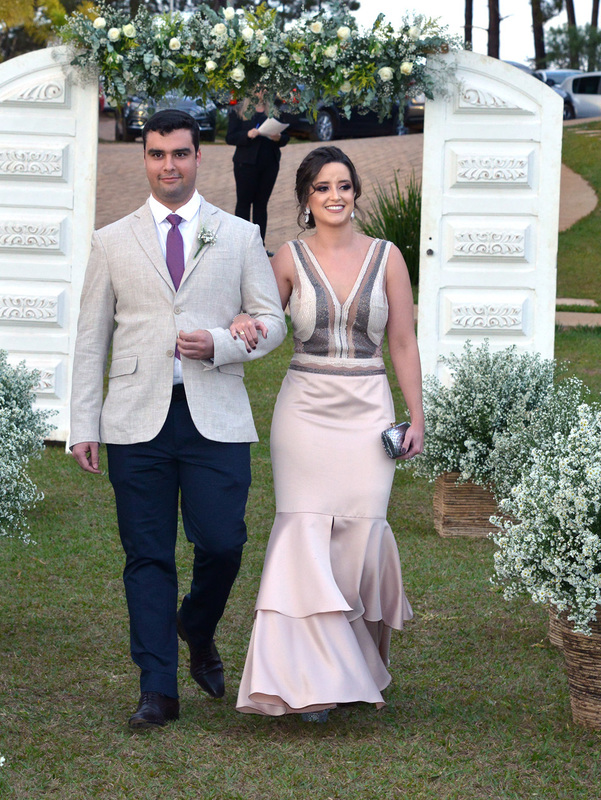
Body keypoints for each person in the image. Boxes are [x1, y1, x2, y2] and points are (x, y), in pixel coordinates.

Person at [69, 109, 287, 730]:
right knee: (146, 555)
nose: (170, 165)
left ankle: (196, 622)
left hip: (214, 413)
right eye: (159, 154)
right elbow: (91, 340)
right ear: (144, 158)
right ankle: (157, 688)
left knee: (223, 542)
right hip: (136, 420)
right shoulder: (113, 239)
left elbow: (272, 322)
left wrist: (222, 341)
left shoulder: (239, 235)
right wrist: (85, 421)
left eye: (181, 154)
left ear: (199, 158)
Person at [234, 145, 423, 722]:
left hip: (368, 409)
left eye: (343, 185)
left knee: (359, 541)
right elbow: (263, 317)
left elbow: (403, 343)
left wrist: (417, 417)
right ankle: (309, 681)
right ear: (306, 199)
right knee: (305, 539)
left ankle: (352, 666)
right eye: (322, 187)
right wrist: (243, 319)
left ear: (355, 192)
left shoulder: (388, 257)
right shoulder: (288, 257)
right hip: (305, 414)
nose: (335, 196)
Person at [225, 97, 289, 247]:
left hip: (269, 164)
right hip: (245, 164)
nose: (261, 92)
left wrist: (278, 138)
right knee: (244, 203)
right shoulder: (239, 111)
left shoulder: (275, 111)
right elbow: (230, 137)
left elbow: (286, 137)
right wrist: (247, 135)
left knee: (261, 205)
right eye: (258, 88)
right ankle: (243, 245)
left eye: (264, 88)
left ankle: (260, 246)